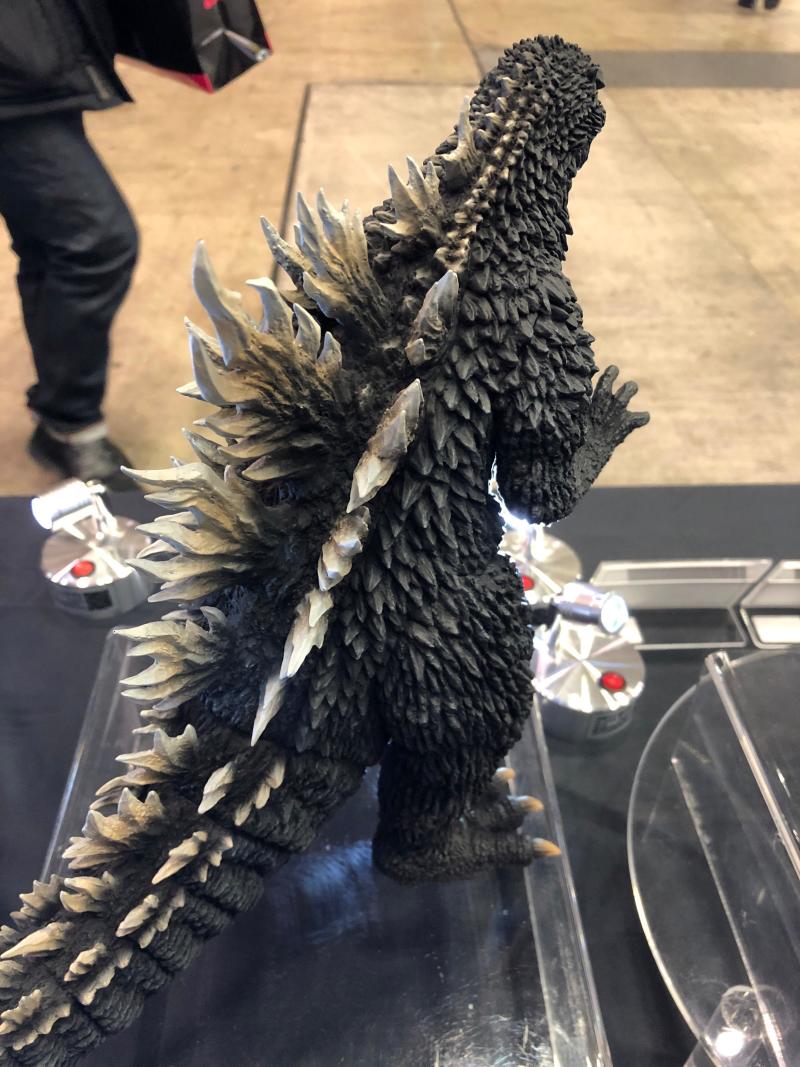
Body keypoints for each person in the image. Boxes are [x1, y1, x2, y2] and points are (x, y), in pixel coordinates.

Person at [0, 1, 137, 488]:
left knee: (49, 243)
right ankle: (69, 418)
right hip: (13, 67)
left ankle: (63, 423)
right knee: (95, 242)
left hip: (34, 49)